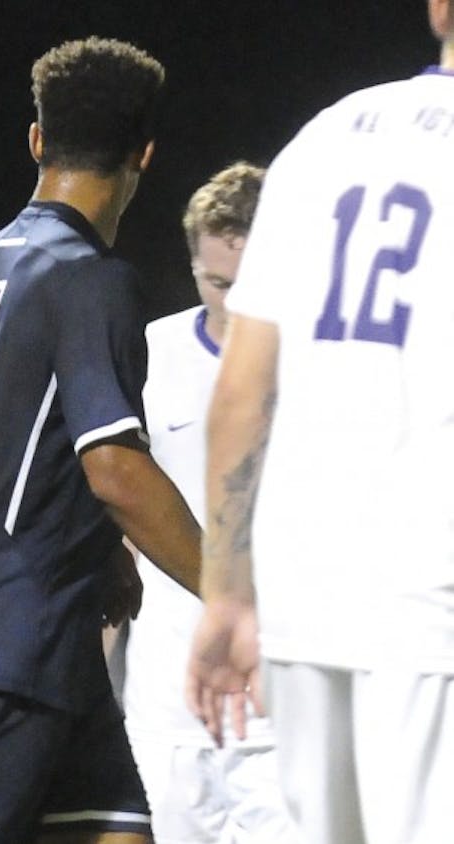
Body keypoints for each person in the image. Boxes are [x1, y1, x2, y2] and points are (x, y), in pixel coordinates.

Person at [0, 38, 203, 844]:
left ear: (36, 139)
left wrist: (69, 530)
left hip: (40, 638)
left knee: (118, 832)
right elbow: (115, 470)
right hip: (10, 643)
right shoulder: (93, 279)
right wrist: (236, 598)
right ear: (144, 155)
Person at [188, 4, 454, 842]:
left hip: (306, 588)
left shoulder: (326, 137)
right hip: (434, 594)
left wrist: (227, 594)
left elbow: (241, 388)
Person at [120, 162, 299, 842]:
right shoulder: (151, 353)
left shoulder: (321, 360)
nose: (234, 302)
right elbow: (125, 516)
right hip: (166, 697)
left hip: (282, 697)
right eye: (216, 282)